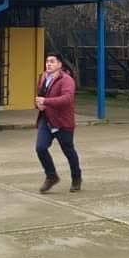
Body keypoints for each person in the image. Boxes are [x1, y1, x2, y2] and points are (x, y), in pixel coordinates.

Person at [34, 52, 81, 193]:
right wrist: (38, 105)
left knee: (69, 151)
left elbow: (67, 99)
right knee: (40, 148)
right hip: (46, 120)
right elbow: (39, 97)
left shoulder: (67, 80)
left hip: (62, 122)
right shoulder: (43, 78)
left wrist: (46, 102)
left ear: (59, 65)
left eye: (52, 61)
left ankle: (76, 178)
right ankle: (51, 176)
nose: (48, 64)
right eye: (47, 61)